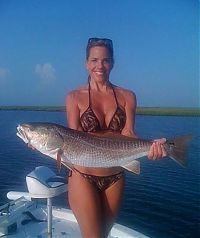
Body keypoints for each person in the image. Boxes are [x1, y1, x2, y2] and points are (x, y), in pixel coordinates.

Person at [66, 37, 166, 238]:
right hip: (83, 176)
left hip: (117, 175)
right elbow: (72, 139)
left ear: (113, 63)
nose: (100, 66)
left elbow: (128, 134)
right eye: (94, 60)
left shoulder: (127, 96)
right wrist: (41, 142)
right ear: (86, 63)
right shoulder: (74, 97)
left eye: (106, 60)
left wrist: (152, 148)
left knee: (104, 234)